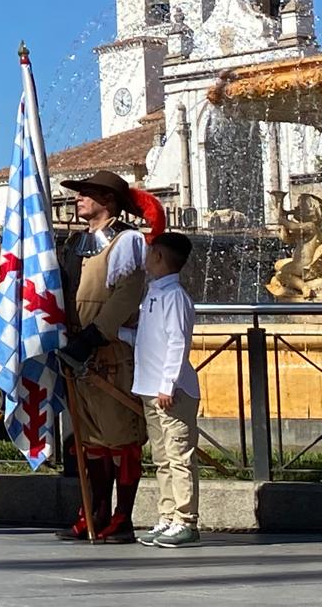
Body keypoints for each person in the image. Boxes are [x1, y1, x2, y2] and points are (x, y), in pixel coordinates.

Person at [54, 169, 161, 544]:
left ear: (109, 201)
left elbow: (127, 294)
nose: (78, 198)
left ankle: (123, 517)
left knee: (122, 440)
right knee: (93, 441)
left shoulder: (128, 242)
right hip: (77, 354)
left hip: (111, 352)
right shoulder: (74, 245)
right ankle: (95, 511)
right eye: (79, 193)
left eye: (88, 193)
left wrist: (96, 334)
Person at [125, 232, 201, 548]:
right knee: (163, 457)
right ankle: (168, 515)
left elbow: (177, 342)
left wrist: (168, 384)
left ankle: (186, 520)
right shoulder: (152, 295)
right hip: (149, 388)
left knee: (179, 455)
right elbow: (149, 340)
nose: (145, 257)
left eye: (149, 252)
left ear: (158, 256)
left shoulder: (174, 297)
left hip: (172, 391)